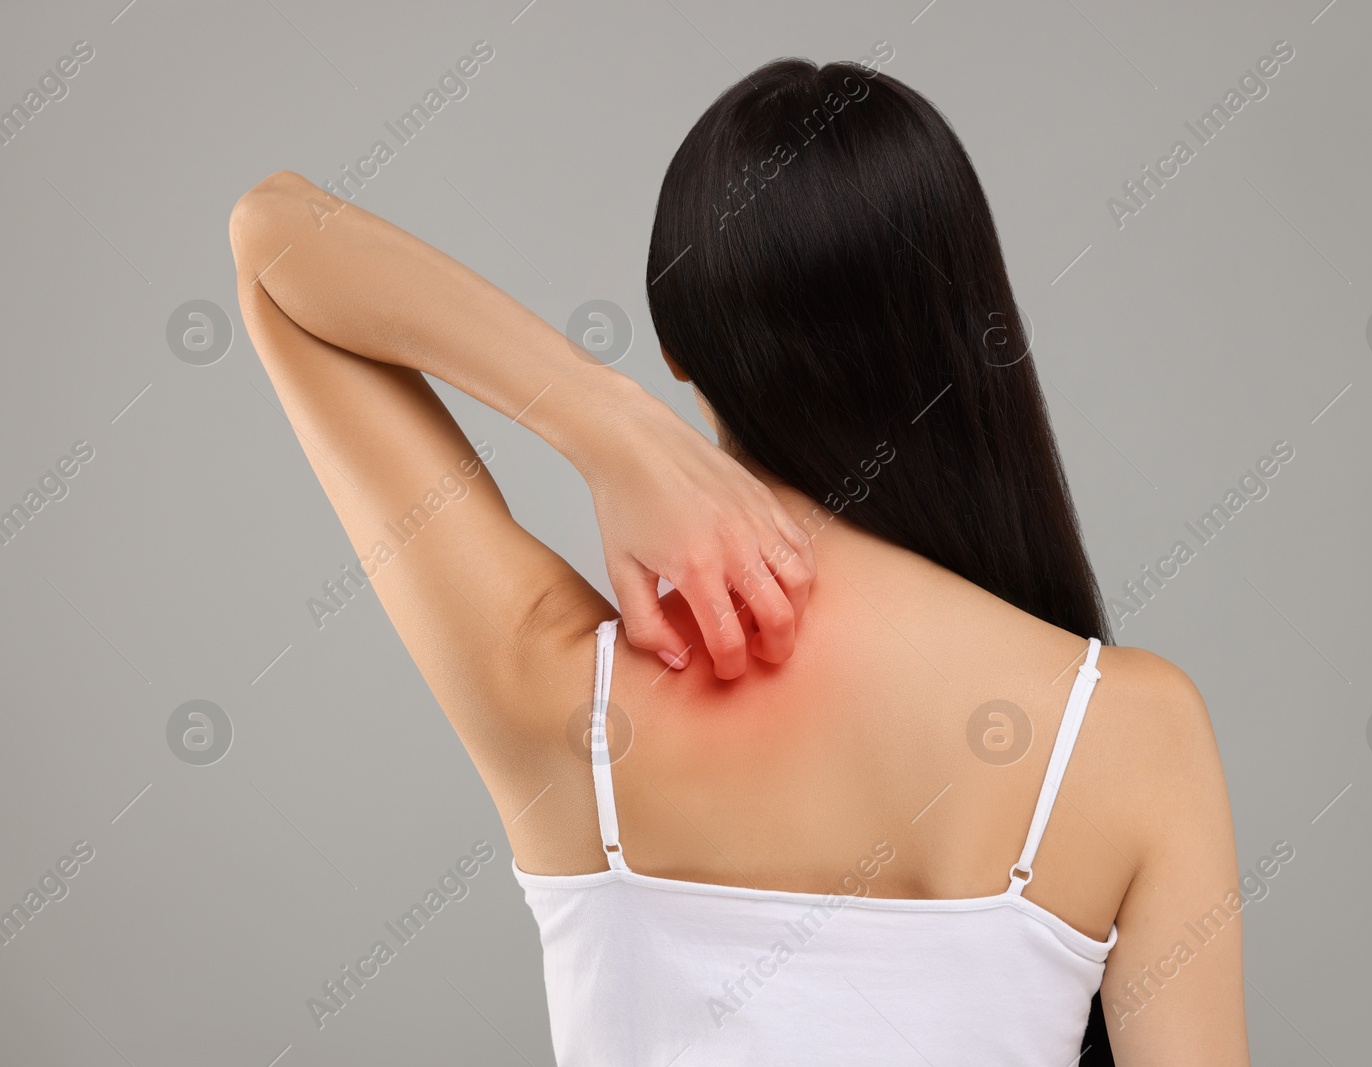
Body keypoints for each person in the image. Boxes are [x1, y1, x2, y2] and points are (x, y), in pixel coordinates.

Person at [228, 56, 1247, 1067]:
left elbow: (272, 233)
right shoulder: (1127, 731)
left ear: (675, 343)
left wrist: (603, 420)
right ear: (961, 323)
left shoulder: (563, 698)